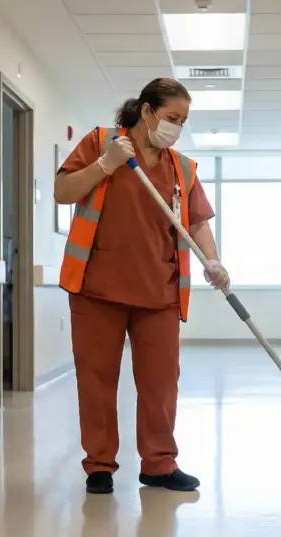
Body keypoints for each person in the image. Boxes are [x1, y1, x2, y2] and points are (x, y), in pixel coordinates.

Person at [54, 77, 230, 495]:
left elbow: (198, 221)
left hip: (159, 292)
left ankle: (158, 464)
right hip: (97, 288)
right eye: (172, 117)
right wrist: (105, 165)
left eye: (183, 121)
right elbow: (62, 191)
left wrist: (213, 259)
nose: (177, 127)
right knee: (96, 381)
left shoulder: (182, 168)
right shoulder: (101, 143)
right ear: (147, 112)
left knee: (161, 383)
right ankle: (99, 466)